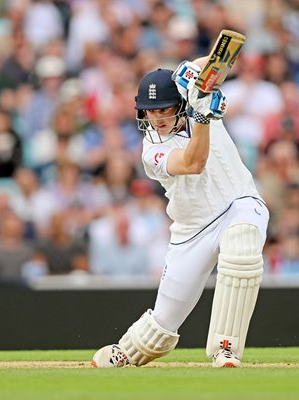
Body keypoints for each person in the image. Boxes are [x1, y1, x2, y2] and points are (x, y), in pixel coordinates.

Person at [92, 59, 269, 368]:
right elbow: (192, 163)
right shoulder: (151, 150)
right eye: (151, 110)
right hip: (192, 229)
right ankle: (128, 350)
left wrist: (197, 74)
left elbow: (224, 60)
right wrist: (202, 114)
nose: (157, 118)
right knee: (158, 331)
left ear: (179, 105)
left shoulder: (199, 105)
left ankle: (225, 348)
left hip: (240, 203)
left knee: (241, 247)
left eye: (164, 109)